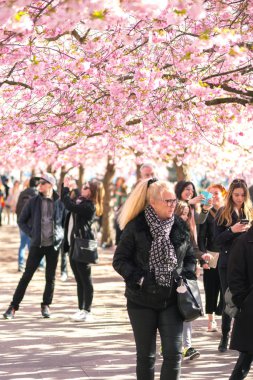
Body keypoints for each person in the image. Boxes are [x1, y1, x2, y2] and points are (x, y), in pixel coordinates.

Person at [113, 179, 196, 380]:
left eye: (174, 201)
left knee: (174, 354)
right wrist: (140, 278)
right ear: (153, 202)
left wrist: (184, 278)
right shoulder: (136, 227)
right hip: (141, 301)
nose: (172, 205)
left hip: (172, 300)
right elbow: (120, 260)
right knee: (146, 356)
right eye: (167, 201)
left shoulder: (179, 226)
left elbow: (190, 257)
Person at [3, 172, 65, 319]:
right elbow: (21, 220)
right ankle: (12, 307)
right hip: (37, 244)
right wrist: (32, 233)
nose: (39, 185)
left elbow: (64, 222)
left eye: (42, 183)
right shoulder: (33, 201)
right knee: (26, 276)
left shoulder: (60, 202)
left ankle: (46, 305)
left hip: (53, 246)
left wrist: (60, 236)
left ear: (50, 185)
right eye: (39, 183)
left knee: (50, 278)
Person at [214, 178, 253, 352]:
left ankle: (242, 337)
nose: (239, 198)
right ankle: (225, 336)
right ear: (231, 194)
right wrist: (232, 230)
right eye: (236, 194)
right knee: (228, 299)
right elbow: (217, 241)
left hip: (246, 263)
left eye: (243, 195)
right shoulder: (223, 212)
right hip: (227, 263)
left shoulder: (249, 211)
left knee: (245, 300)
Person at [174, 180, 212, 360]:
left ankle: (187, 346)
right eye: (186, 189)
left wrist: (201, 257)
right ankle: (170, 343)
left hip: (188, 263)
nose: (189, 192)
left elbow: (197, 224)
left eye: (191, 190)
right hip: (173, 267)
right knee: (175, 307)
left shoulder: (190, 212)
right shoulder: (170, 208)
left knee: (187, 305)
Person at [62, 176, 105, 321]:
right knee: (79, 280)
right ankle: (81, 309)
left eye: (86, 187)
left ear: (92, 192)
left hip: (83, 246)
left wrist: (66, 189)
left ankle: (88, 310)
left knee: (86, 280)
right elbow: (73, 202)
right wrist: (72, 188)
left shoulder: (89, 206)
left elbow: (69, 205)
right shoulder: (81, 201)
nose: (83, 188)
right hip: (74, 244)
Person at [198, 184, 226, 332]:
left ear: (223, 195)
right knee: (210, 288)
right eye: (211, 194)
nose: (214, 196)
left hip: (226, 255)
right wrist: (202, 259)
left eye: (216, 193)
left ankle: (224, 320)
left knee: (224, 288)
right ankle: (211, 320)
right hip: (210, 254)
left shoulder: (228, 212)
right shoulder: (205, 213)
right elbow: (201, 237)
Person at [227, 223, 253, 380]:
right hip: (251, 308)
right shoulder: (243, 241)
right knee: (245, 360)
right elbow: (235, 276)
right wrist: (245, 300)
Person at [15, 177, 39, 272]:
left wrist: (20, 221)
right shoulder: (37, 194)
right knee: (33, 245)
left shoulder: (22, 193)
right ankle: (34, 265)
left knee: (22, 244)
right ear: (37, 185)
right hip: (33, 224)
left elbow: (17, 208)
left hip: (22, 223)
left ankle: (21, 265)